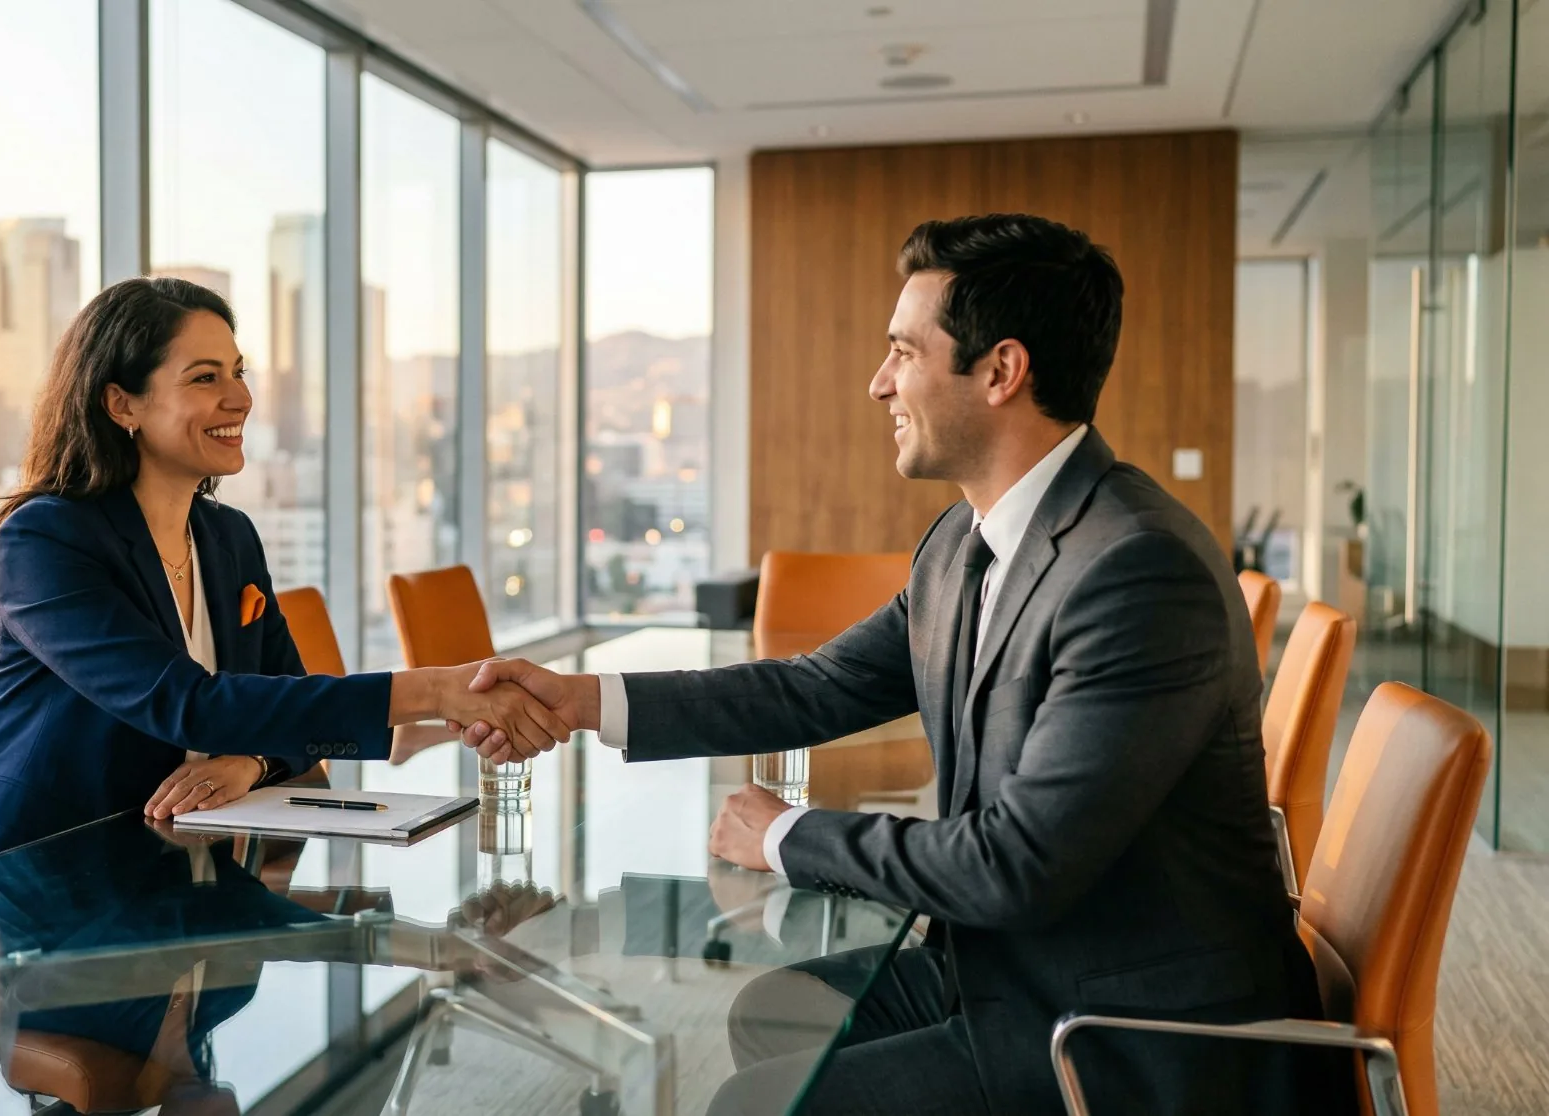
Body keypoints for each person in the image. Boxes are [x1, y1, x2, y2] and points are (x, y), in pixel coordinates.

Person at [454, 216, 1354, 1114]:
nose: (878, 383)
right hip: (1015, 967)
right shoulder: (966, 537)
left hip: (1130, 1030)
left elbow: (1016, 866)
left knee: (754, 1104)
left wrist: (782, 837)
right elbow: (816, 685)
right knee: (776, 1010)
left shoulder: (1136, 569)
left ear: (1001, 371)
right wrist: (579, 701)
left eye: (903, 353)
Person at [0, 277, 564, 870]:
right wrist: (433, 690)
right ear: (122, 403)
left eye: (238, 372)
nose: (241, 398)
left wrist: (254, 761)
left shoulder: (227, 536)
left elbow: (291, 694)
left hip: (182, 861)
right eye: (205, 378)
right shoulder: (46, 538)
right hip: (40, 870)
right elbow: (185, 704)